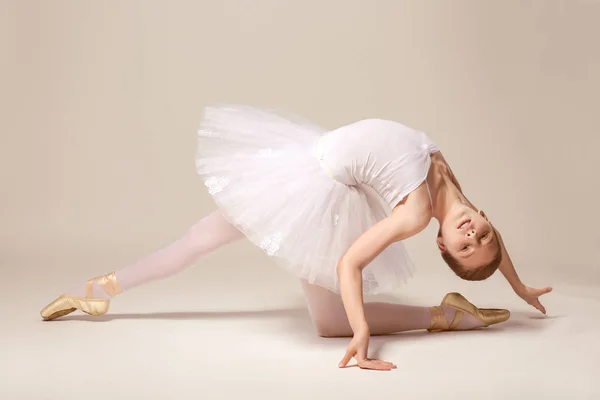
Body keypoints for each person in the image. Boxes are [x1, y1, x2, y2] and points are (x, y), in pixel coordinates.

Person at [40, 105, 552, 370]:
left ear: (441, 245)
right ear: (485, 217)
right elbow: (495, 245)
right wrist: (517, 284)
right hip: (304, 162)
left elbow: (349, 264)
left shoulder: (418, 213)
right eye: (481, 233)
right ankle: (99, 292)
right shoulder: (454, 191)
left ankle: (444, 317)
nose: (473, 234)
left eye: (465, 246)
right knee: (201, 238)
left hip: (315, 196)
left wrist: (363, 337)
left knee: (331, 323)